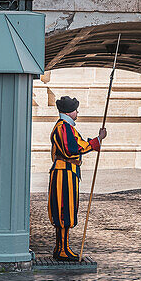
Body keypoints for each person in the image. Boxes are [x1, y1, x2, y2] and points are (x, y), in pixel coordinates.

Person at [48, 95, 107, 261]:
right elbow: (73, 149)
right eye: (75, 109)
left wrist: (96, 141)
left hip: (67, 173)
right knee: (63, 210)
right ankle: (62, 249)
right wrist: (98, 140)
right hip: (64, 173)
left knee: (65, 210)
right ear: (69, 112)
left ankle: (62, 247)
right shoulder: (63, 127)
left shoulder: (67, 127)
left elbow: (78, 144)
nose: (77, 112)